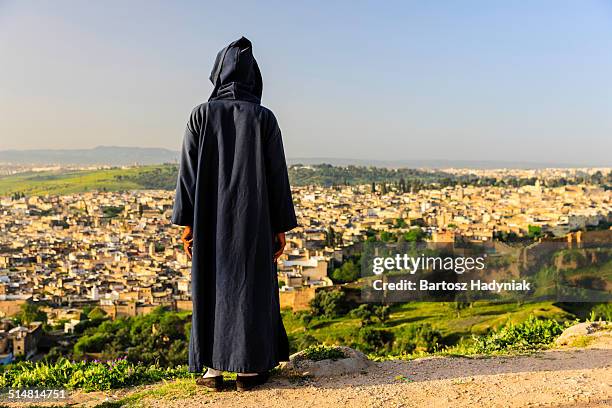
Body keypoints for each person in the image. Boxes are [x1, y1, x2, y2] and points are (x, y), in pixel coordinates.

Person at [171, 36, 298, 392]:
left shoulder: (201, 115)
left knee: (212, 285)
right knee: (251, 289)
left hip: (210, 221)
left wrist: (186, 223)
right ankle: (250, 370)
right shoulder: (264, 119)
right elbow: (277, 177)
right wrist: (280, 227)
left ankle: (213, 371)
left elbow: (188, 174)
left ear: (218, 73)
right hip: (255, 220)